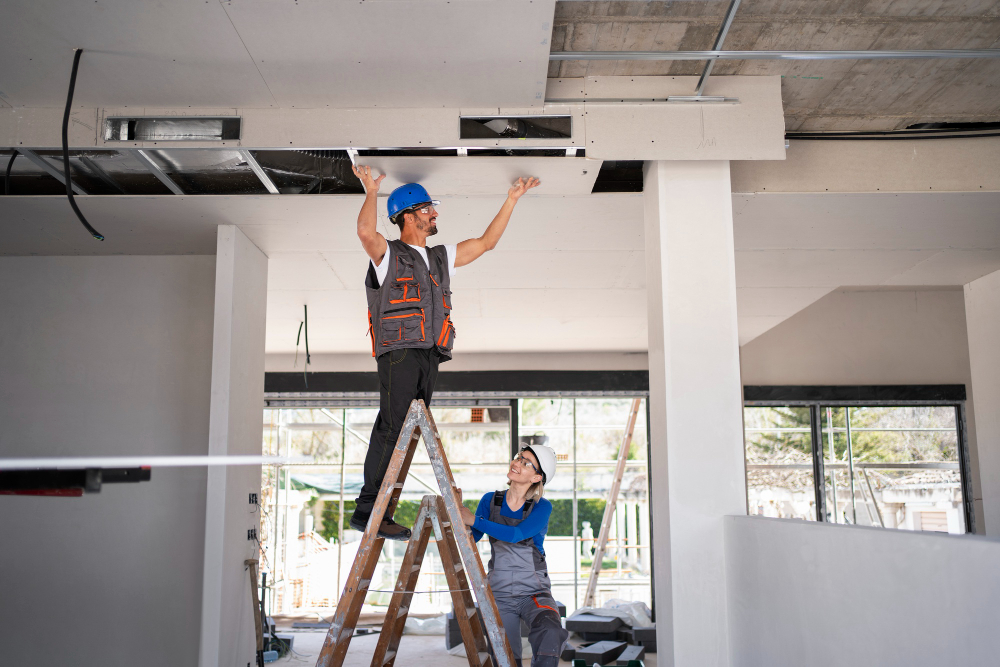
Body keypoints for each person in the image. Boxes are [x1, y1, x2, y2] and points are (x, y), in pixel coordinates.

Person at [350, 165, 541, 540]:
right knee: (392, 430)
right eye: (426, 209)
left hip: (429, 354)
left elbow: (486, 243)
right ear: (406, 216)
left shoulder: (439, 257)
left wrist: (511, 200)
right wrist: (371, 191)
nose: (434, 214)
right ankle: (368, 509)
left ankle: (381, 508)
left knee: (407, 434)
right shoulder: (389, 254)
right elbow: (364, 232)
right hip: (399, 352)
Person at [458, 444, 569, 667]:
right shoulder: (490, 501)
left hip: (534, 593)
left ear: (537, 477)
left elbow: (517, 535)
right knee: (505, 658)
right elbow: (472, 538)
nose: (517, 463)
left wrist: (474, 520)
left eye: (526, 463)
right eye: (519, 458)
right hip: (499, 594)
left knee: (550, 631)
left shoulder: (541, 507)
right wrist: (457, 511)